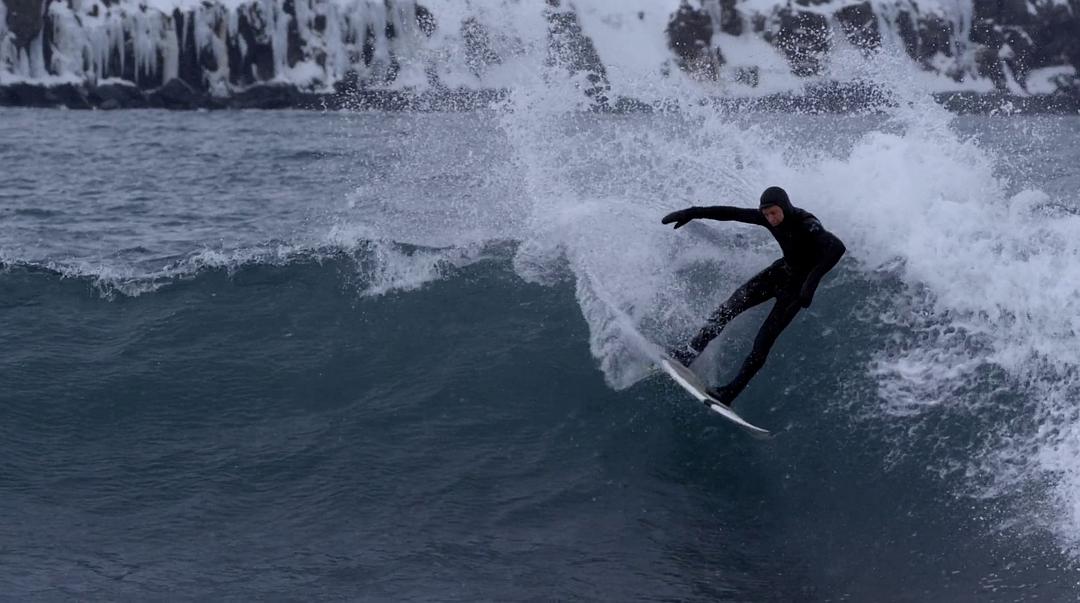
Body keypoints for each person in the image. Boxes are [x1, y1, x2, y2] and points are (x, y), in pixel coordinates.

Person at [661, 186, 846, 406]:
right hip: (779, 273)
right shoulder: (768, 218)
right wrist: (691, 212)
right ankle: (688, 354)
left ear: (785, 207)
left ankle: (730, 392)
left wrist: (811, 283)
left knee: (762, 341)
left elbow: (836, 248)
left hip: (796, 290)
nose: (771, 219)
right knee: (726, 309)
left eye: (774, 213)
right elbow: (730, 213)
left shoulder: (806, 223)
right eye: (766, 214)